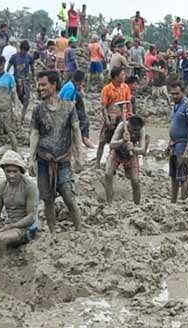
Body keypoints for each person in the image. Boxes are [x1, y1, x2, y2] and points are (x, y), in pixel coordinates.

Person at [28, 70, 85, 234]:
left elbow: (76, 131)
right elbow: (34, 134)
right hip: (44, 160)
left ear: (54, 85)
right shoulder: (38, 110)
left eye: (43, 84)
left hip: (63, 160)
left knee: (68, 195)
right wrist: (31, 159)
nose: (40, 88)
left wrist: (79, 156)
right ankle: (53, 232)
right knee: (48, 199)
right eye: (39, 85)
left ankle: (79, 231)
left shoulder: (68, 107)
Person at [0, 150, 39, 271]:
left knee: (1, 238)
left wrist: (9, 227)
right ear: (4, 171)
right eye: (8, 171)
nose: (11, 175)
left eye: (15, 171)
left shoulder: (30, 187)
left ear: (21, 171)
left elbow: (31, 217)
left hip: (24, 228)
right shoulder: (2, 187)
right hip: (8, 224)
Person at [105, 115, 150, 204]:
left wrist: (132, 148)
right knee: (108, 174)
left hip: (131, 155)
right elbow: (112, 144)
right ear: (128, 126)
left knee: (135, 181)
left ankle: (137, 205)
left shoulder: (142, 130)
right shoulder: (122, 126)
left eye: (136, 131)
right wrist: (122, 141)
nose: (134, 133)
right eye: (132, 130)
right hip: (117, 152)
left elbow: (142, 150)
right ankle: (109, 203)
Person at [168, 82, 188, 203]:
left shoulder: (187, 105)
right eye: (172, 94)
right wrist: (169, 142)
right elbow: (174, 125)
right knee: (173, 176)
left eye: (177, 93)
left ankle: (184, 202)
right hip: (174, 145)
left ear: (183, 92)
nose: (174, 96)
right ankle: (173, 202)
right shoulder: (175, 106)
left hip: (182, 145)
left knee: (183, 177)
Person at [97, 67, 131, 167]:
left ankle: (116, 162)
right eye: (122, 74)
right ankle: (97, 162)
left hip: (122, 118)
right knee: (102, 141)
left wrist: (130, 115)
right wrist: (107, 120)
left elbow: (128, 103)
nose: (124, 76)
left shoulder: (125, 87)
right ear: (116, 77)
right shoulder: (107, 89)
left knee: (121, 142)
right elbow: (103, 107)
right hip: (111, 117)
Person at [59, 70, 96, 148]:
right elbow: (65, 104)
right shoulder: (71, 88)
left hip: (67, 109)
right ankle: (84, 139)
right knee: (83, 119)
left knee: (82, 117)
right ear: (80, 81)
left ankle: (83, 139)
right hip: (62, 110)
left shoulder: (72, 86)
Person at [7, 40, 36, 125]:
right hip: (17, 80)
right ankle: (19, 112)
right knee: (20, 97)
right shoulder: (14, 57)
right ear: (20, 49)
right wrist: (7, 76)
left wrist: (34, 78)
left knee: (26, 99)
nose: (24, 52)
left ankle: (22, 118)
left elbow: (32, 68)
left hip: (26, 80)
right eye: (23, 50)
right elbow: (8, 67)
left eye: (26, 51)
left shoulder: (29, 57)